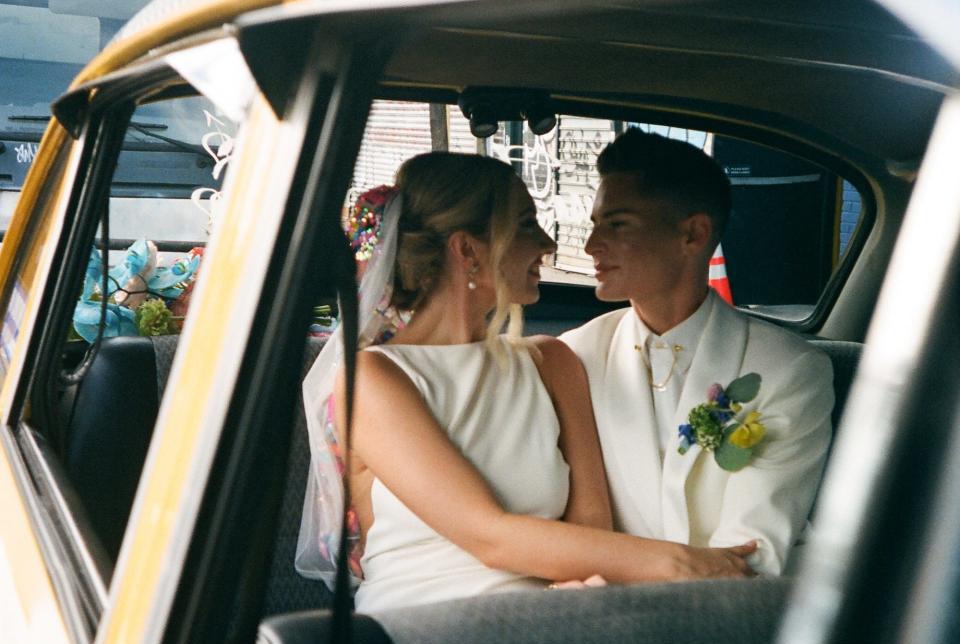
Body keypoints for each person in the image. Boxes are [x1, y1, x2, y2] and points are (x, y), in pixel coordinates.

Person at [296, 151, 755, 612]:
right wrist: (682, 565)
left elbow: (591, 522)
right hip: (421, 632)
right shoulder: (374, 377)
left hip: (547, 625)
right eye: (525, 224)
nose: (548, 243)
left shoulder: (553, 362)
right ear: (467, 251)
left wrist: (571, 598)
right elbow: (488, 534)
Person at [561, 131, 834, 575]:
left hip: (725, 618)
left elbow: (753, 551)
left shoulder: (789, 369)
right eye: (594, 224)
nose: (591, 245)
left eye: (617, 224)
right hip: (603, 609)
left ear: (692, 234)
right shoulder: (575, 356)